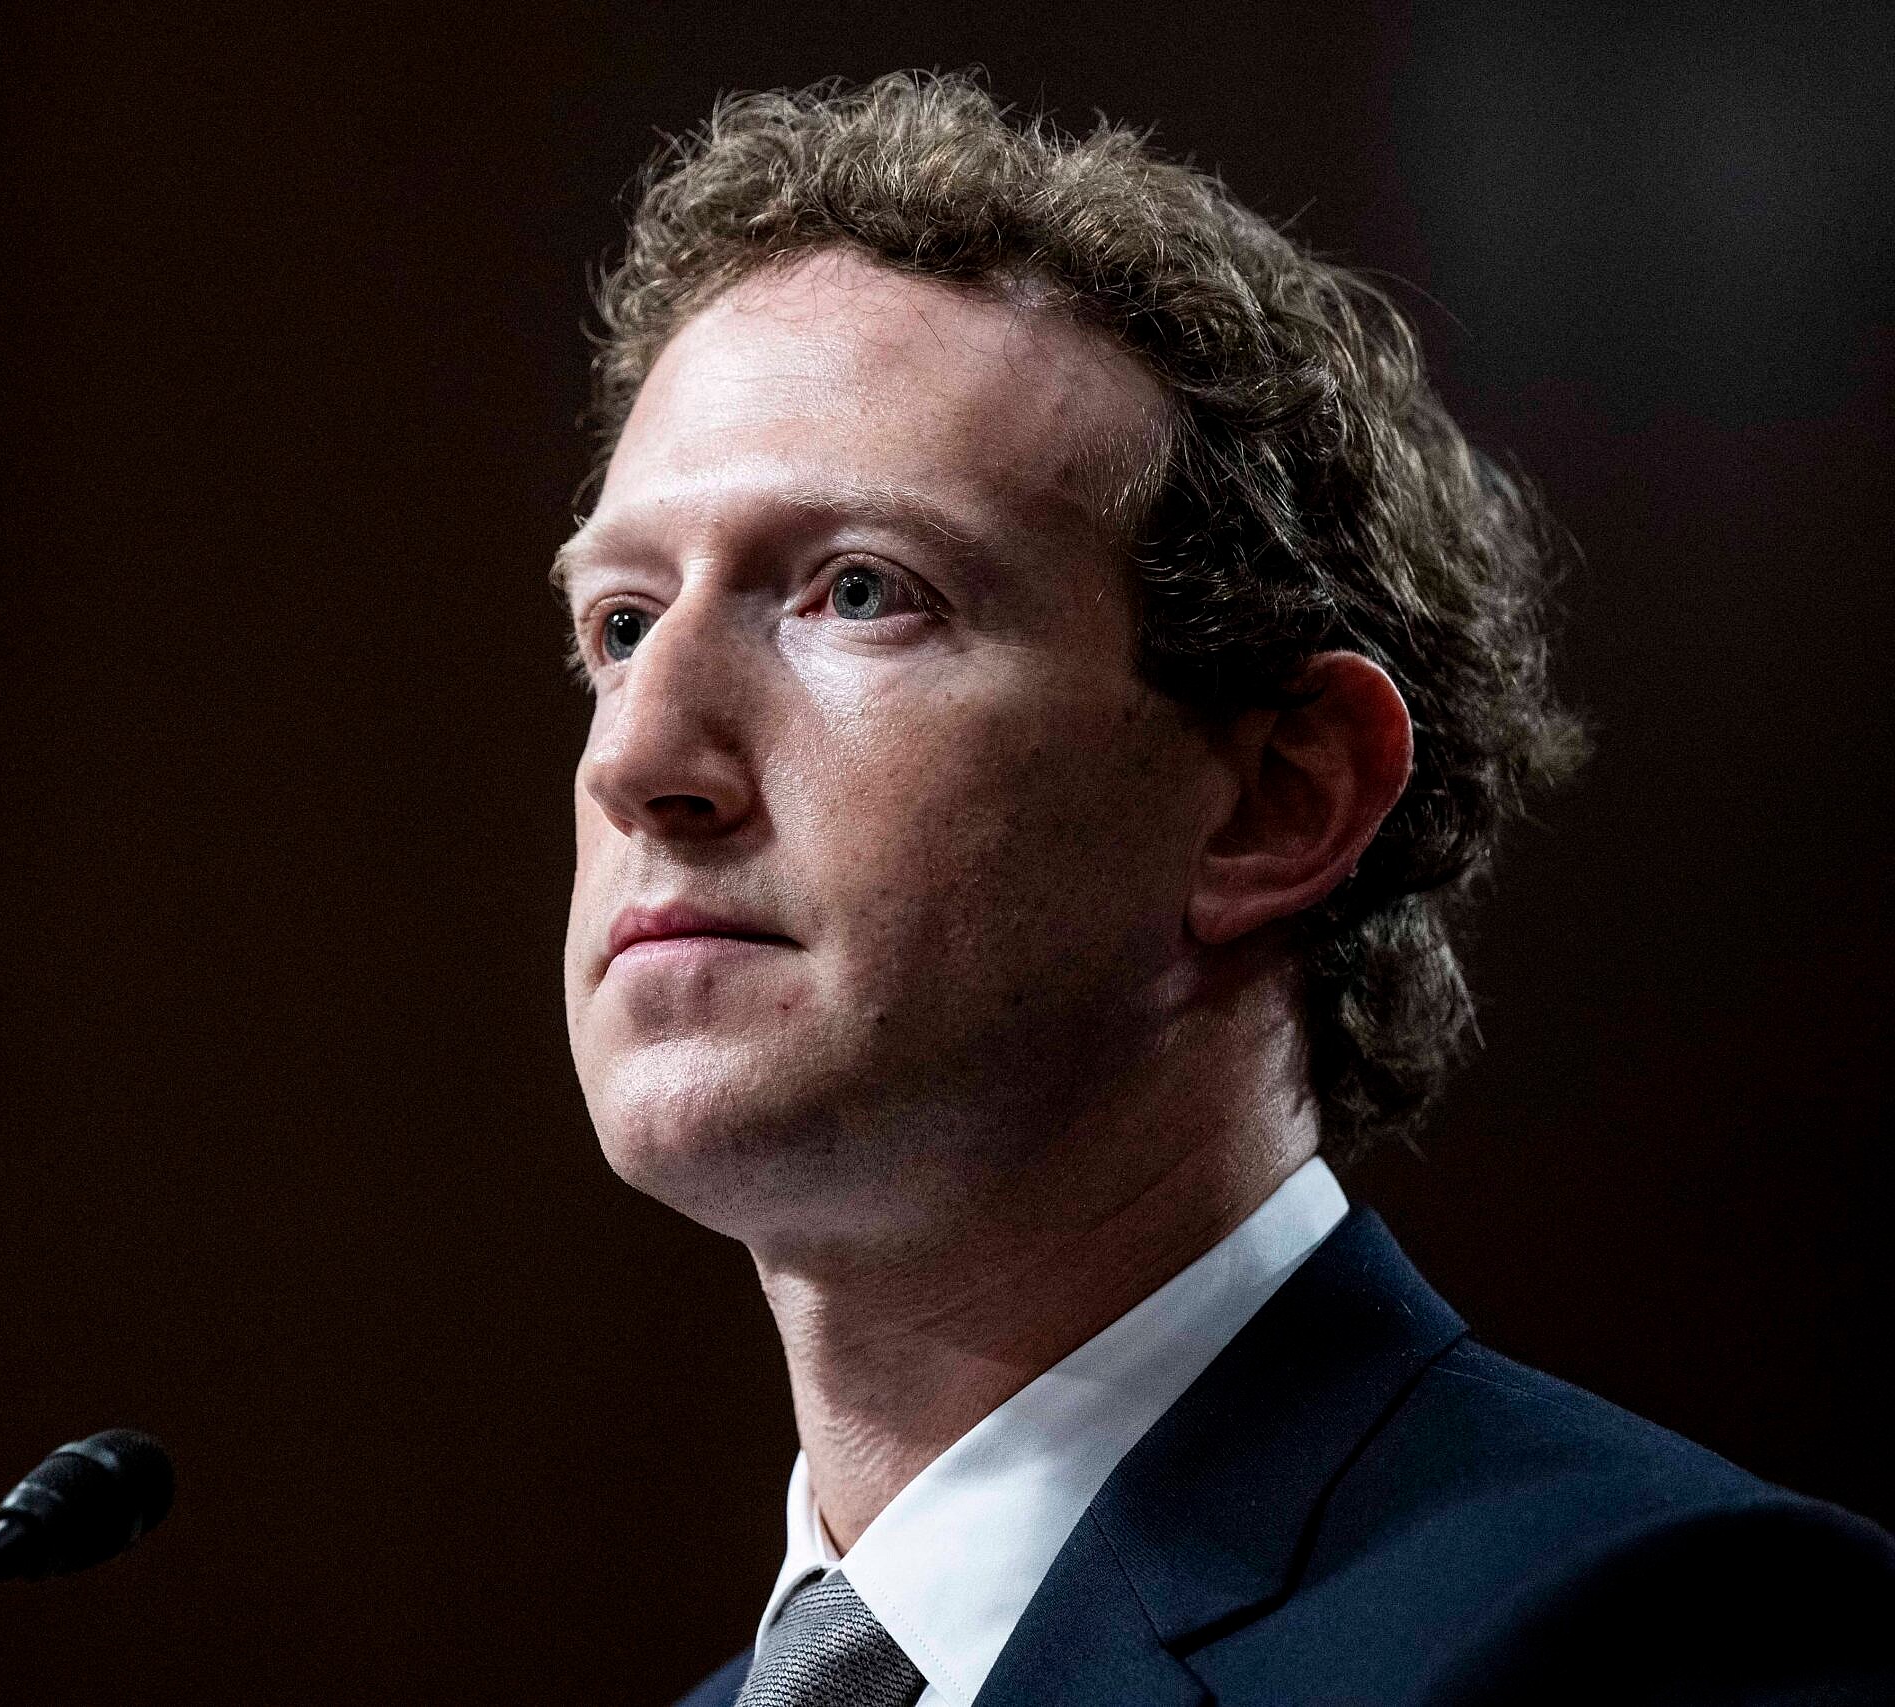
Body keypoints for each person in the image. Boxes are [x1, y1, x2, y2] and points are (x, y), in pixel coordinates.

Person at [554, 73, 1894, 1706]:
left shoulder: (1646, 1642)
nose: (640, 756)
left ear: (1278, 802)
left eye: (858, 592)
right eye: (621, 624)